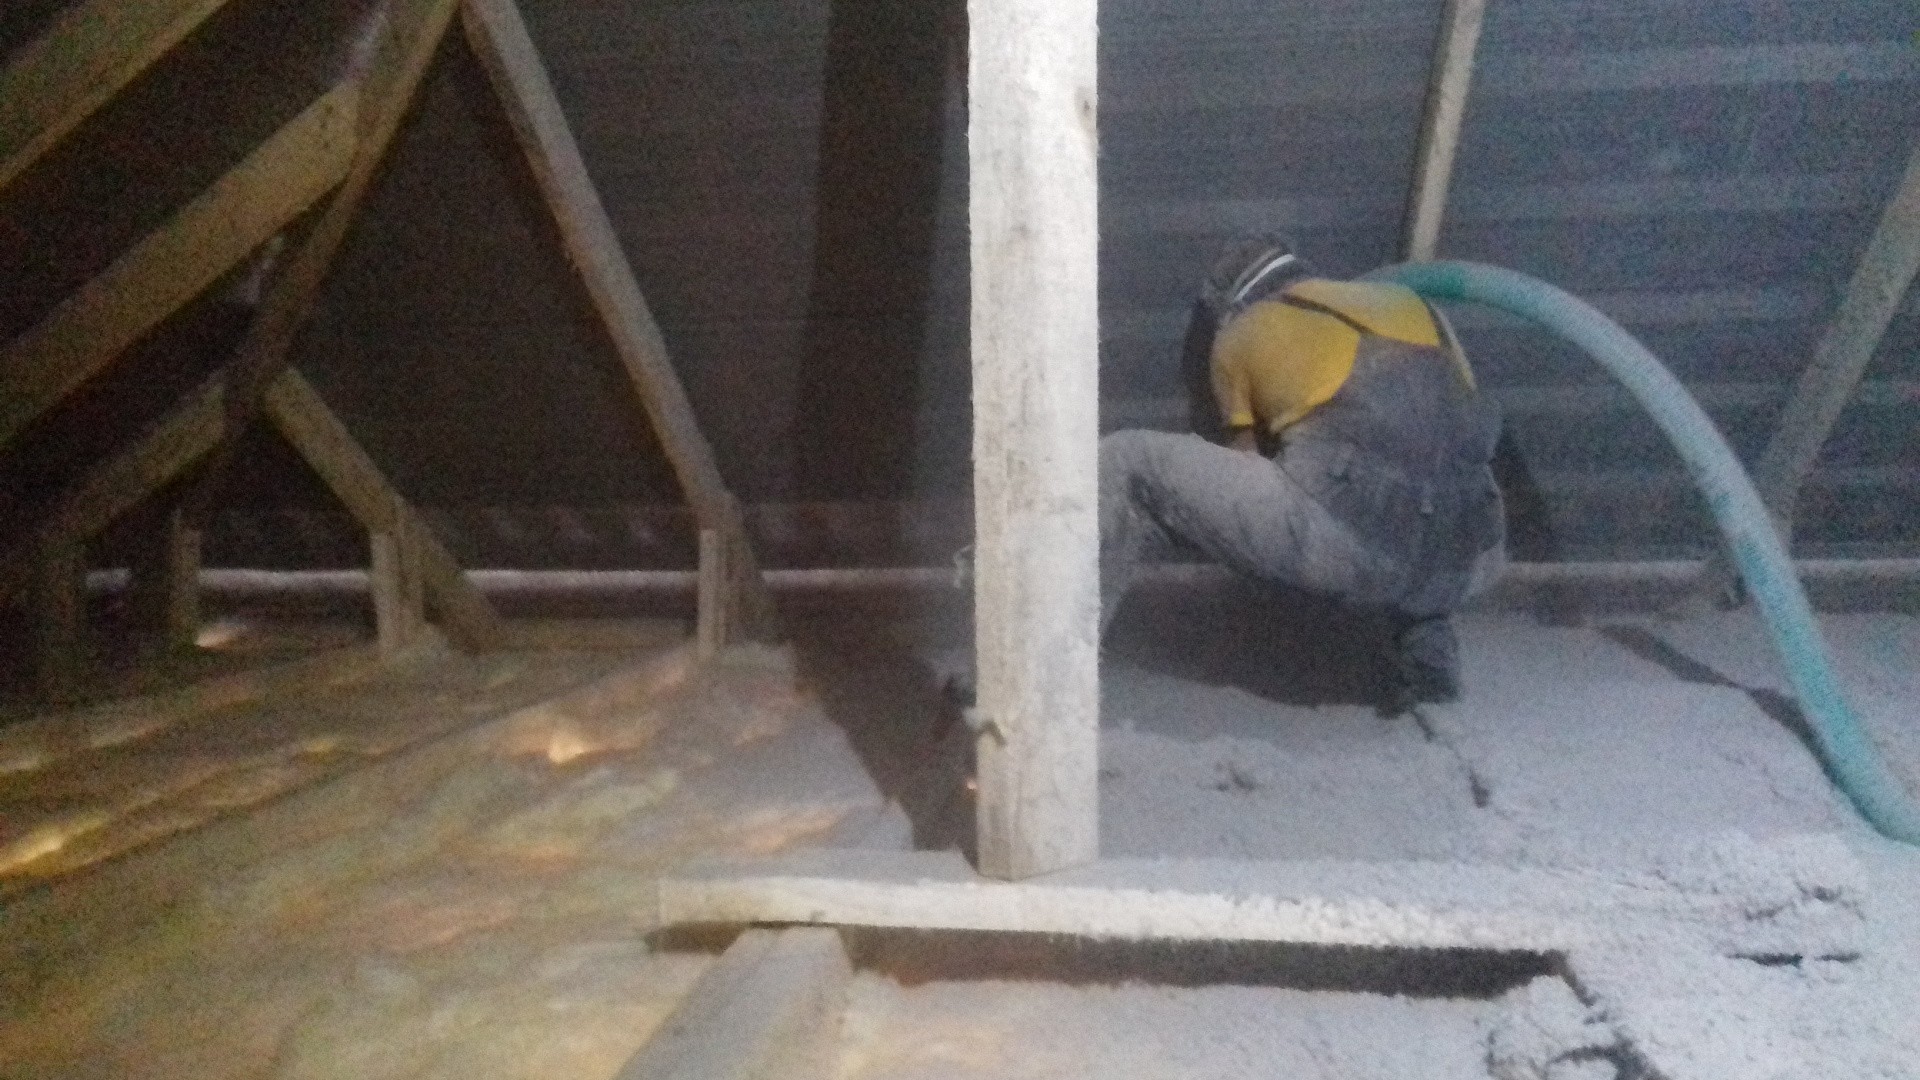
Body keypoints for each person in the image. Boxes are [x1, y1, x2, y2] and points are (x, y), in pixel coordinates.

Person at [1099, 236, 1506, 712]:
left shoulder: (1241, 332)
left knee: (1128, 458)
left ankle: (1067, 651)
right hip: (1474, 557)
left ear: (1231, 301)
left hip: (1347, 548)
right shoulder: (1413, 303)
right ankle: (1428, 649)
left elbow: (1245, 460)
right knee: (1427, 480)